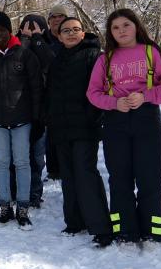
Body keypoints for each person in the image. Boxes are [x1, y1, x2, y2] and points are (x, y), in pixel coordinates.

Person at [87, 8, 161, 244]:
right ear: (110, 32)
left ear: (136, 26)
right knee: (120, 178)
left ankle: (152, 229)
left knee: (150, 177)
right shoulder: (104, 59)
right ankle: (124, 230)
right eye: (115, 27)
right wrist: (114, 102)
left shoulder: (152, 52)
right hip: (115, 121)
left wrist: (146, 96)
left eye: (126, 25)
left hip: (146, 119)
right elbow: (93, 93)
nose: (121, 31)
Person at [45, 18, 112, 247]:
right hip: (61, 128)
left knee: (85, 173)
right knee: (69, 175)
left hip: (85, 127)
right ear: (59, 36)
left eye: (76, 30)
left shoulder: (94, 56)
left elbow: (100, 89)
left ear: (83, 33)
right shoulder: (57, 59)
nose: (71, 34)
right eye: (66, 31)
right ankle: (75, 221)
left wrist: (93, 117)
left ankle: (101, 226)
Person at [0, 11, 43, 229]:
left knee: (22, 162)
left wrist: (39, 119)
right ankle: (5, 206)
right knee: (1, 163)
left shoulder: (25, 55)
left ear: (9, 31)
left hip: (22, 120)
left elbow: (36, 89)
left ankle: (22, 206)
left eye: (3, 30)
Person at [15, 13, 58, 208]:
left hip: (41, 111)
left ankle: (34, 192)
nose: (31, 31)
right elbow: (15, 64)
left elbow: (51, 63)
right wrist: (25, 40)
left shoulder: (49, 45)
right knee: (18, 156)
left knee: (37, 156)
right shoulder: (15, 46)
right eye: (27, 27)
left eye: (36, 28)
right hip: (17, 110)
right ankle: (16, 190)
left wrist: (38, 39)